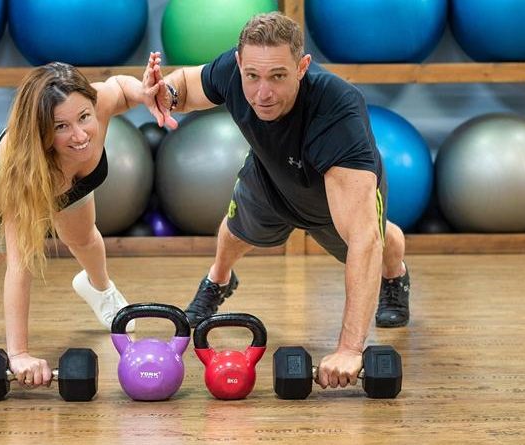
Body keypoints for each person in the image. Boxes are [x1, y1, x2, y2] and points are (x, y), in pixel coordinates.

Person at [145, 12, 411, 390]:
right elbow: (187, 83)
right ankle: (217, 281)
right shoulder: (233, 71)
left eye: (278, 76)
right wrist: (167, 93)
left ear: (302, 67)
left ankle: (395, 278)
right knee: (234, 232)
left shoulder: (338, 109)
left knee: (378, 241)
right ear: (239, 63)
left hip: (331, 195)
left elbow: (363, 240)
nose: (262, 93)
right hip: (271, 175)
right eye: (252, 75)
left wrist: (350, 349)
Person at [0, 62, 162, 386]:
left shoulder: (96, 104)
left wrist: (145, 92)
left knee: (85, 238)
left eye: (84, 117)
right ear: (41, 131)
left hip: (68, 184)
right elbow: (21, 266)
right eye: (61, 126)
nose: (80, 135)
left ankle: (99, 288)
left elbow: (121, 88)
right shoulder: (20, 171)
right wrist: (19, 354)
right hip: (0, 200)